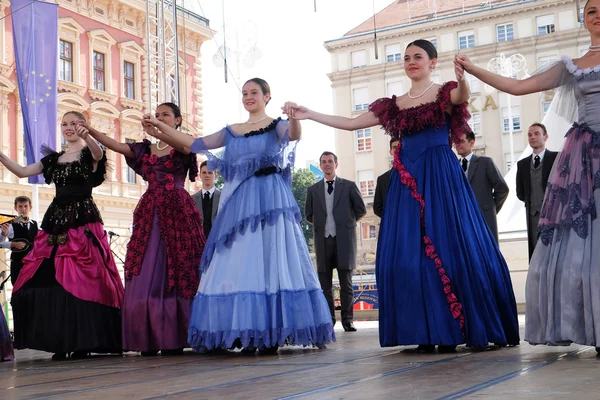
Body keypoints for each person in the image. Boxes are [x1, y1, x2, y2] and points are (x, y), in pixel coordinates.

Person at [285, 39, 520, 352]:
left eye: (418, 57)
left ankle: (456, 327)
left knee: (452, 249)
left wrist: (464, 76)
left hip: (440, 176)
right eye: (407, 57)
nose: (411, 61)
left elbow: (461, 96)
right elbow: (353, 123)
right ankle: (425, 330)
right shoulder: (394, 105)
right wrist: (310, 113)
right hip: (407, 179)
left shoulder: (444, 91)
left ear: (432, 62)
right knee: (407, 256)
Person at [144, 78, 335, 353]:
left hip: (271, 197)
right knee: (243, 260)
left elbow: (293, 135)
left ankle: (272, 329)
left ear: (267, 96)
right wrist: (160, 126)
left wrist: (294, 117)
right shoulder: (233, 130)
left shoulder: (276, 125)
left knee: (274, 257)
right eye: (244, 93)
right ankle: (248, 329)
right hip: (241, 200)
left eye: (254, 93)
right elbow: (196, 143)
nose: (248, 97)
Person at [456, 0, 600, 352]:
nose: (599, 14)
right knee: (585, 247)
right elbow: (519, 87)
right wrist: (474, 70)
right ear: (583, 21)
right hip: (584, 160)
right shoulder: (572, 66)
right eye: (592, 10)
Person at [83, 102, 205, 356]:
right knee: (143, 267)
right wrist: (90, 130)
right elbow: (117, 146)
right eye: (157, 115)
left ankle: (176, 334)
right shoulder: (144, 148)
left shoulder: (183, 145)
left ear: (178, 120)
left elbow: (187, 145)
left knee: (180, 265)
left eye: (165, 115)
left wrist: (157, 128)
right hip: (150, 211)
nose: (159, 118)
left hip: (178, 210)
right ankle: (148, 336)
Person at [0, 111, 124, 360]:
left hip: (82, 220)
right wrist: (1, 156)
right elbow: (23, 171)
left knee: (84, 277)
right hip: (55, 221)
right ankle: (60, 339)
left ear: (83, 125)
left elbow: (99, 155)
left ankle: (82, 341)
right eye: (64, 124)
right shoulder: (54, 159)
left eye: (74, 123)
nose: (68, 128)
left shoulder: (91, 151)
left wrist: (88, 136)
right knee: (47, 277)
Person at [305, 151, 366, 332]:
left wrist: (346, 224)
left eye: (330, 161)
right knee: (325, 285)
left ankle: (348, 320)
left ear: (336, 164)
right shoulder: (312, 190)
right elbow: (309, 215)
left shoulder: (348, 186)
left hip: (345, 241)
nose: (327, 165)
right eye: (323, 162)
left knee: (346, 283)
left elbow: (361, 209)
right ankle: (328, 320)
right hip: (323, 241)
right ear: (320, 165)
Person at [454, 130, 509, 242]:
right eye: (456, 141)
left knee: (488, 255)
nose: (457, 144)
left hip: (484, 220)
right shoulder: (453, 167)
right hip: (461, 221)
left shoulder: (485, 162)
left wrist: (489, 208)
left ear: (472, 143)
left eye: (461, 141)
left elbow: (502, 189)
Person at [515, 123, 558, 260]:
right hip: (533, 217)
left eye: (536, 133)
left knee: (554, 252)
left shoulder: (557, 158)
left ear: (546, 137)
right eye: (529, 134)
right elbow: (520, 192)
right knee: (536, 255)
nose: (532, 137)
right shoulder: (522, 164)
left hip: (554, 215)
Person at [0, 196, 38, 285]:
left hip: (34, 263)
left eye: (26, 206)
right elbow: (0, 242)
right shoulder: (10, 224)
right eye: (20, 206)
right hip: (18, 263)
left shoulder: (35, 224)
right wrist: (13, 243)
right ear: (15, 208)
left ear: (30, 207)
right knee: (19, 289)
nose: (23, 209)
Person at [191, 161, 221, 238]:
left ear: (215, 175)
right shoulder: (192, 199)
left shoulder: (223, 197)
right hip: (198, 241)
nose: (207, 175)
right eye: (204, 173)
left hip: (217, 240)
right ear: (200, 175)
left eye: (210, 172)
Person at [374, 138, 400, 218]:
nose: (398, 150)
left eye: (400, 146)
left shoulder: (416, 175)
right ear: (391, 152)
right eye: (395, 147)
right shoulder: (382, 179)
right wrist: (390, 219)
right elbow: (377, 208)